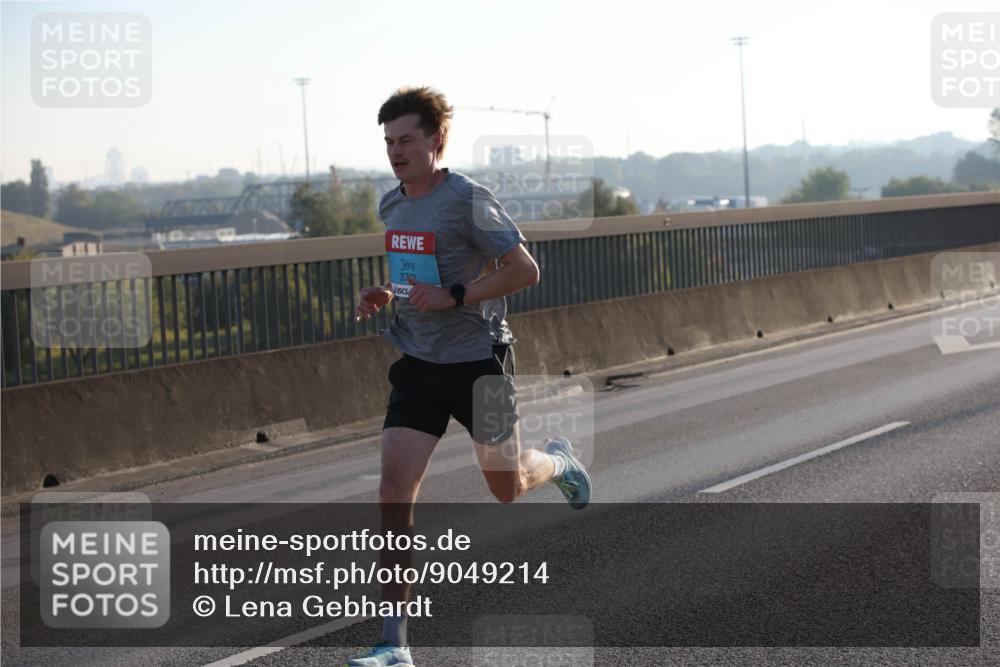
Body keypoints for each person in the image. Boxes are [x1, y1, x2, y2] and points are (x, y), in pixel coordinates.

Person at [346, 86, 591, 667]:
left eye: (406, 140)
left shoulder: (468, 199)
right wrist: (389, 293)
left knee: (505, 487)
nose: (396, 152)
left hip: (480, 361)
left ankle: (558, 462)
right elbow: (416, 277)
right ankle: (394, 644)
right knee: (392, 493)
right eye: (388, 142)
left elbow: (523, 270)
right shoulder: (393, 204)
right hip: (419, 363)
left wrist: (457, 294)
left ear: (436, 140)